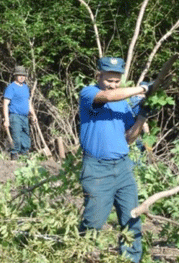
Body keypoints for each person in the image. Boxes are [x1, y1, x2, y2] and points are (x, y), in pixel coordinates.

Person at [79, 57, 153, 262]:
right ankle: (80, 254)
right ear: (98, 76)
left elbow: (129, 138)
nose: (112, 84)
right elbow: (108, 96)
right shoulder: (89, 93)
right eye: (108, 80)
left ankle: (131, 259)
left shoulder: (124, 104)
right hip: (97, 169)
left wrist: (142, 117)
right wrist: (143, 89)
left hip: (122, 168)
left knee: (132, 217)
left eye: (116, 80)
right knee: (93, 221)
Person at [3, 66, 37, 160]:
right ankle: (14, 157)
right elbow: (5, 104)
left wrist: (33, 115)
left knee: (25, 137)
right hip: (15, 116)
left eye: (23, 75)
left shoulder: (26, 88)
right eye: (19, 75)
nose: (22, 77)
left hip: (25, 117)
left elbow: (28, 103)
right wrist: (6, 119)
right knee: (16, 137)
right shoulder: (11, 87)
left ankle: (25, 158)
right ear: (15, 76)